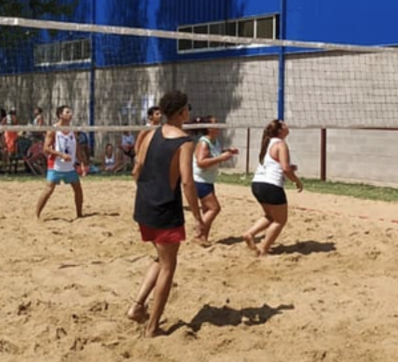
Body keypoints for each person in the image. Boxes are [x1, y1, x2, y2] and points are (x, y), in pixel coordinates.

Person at [125, 90, 204, 338]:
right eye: (187, 108)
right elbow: (188, 184)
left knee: (160, 259)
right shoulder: (184, 142)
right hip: (165, 209)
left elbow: (136, 170)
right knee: (169, 266)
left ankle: (137, 307)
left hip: (144, 205)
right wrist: (198, 218)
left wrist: (148, 192)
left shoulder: (150, 135)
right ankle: (152, 327)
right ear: (182, 112)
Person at [243, 119, 303, 257]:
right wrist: (297, 181)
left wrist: (289, 167)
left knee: (270, 216)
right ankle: (263, 249)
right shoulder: (280, 144)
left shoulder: (267, 143)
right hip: (271, 185)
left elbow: (277, 164)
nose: (287, 125)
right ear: (281, 130)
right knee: (280, 220)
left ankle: (249, 233)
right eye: (284, 124)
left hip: (257, 184)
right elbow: (285, 169)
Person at [191, 115, 239, 245]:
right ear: (208, 128)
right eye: (215, 123)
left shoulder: (215, 141)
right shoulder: (203, 142)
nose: (218, 125)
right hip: (199, 180)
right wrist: (222, 158)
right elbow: (201, 162)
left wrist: (227, 151)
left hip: (208, 179)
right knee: (215, 208)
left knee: (207, 210)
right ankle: (198, 232)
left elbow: (214, 154)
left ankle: (203, 239)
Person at [35, 105, 85, 219]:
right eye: (67, 112)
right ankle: (37, 214)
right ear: (60, 115)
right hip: (55, 165)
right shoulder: (53, 130)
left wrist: (82, 162)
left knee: (78, 189)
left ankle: (79, 215)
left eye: (70, 112)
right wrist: (61, 154)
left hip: (69, 166)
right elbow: (45, 148)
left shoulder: (72, 130)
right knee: (48, 190)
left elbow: (77, 148)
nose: (70, 114)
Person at [132, 105, 163, 178]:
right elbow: (139, 141)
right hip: (146, 154)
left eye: (160, 113)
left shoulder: (161, 127)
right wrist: (137, 155)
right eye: (157, 114)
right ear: (151, 117)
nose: (160, 116)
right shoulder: (147, 128)